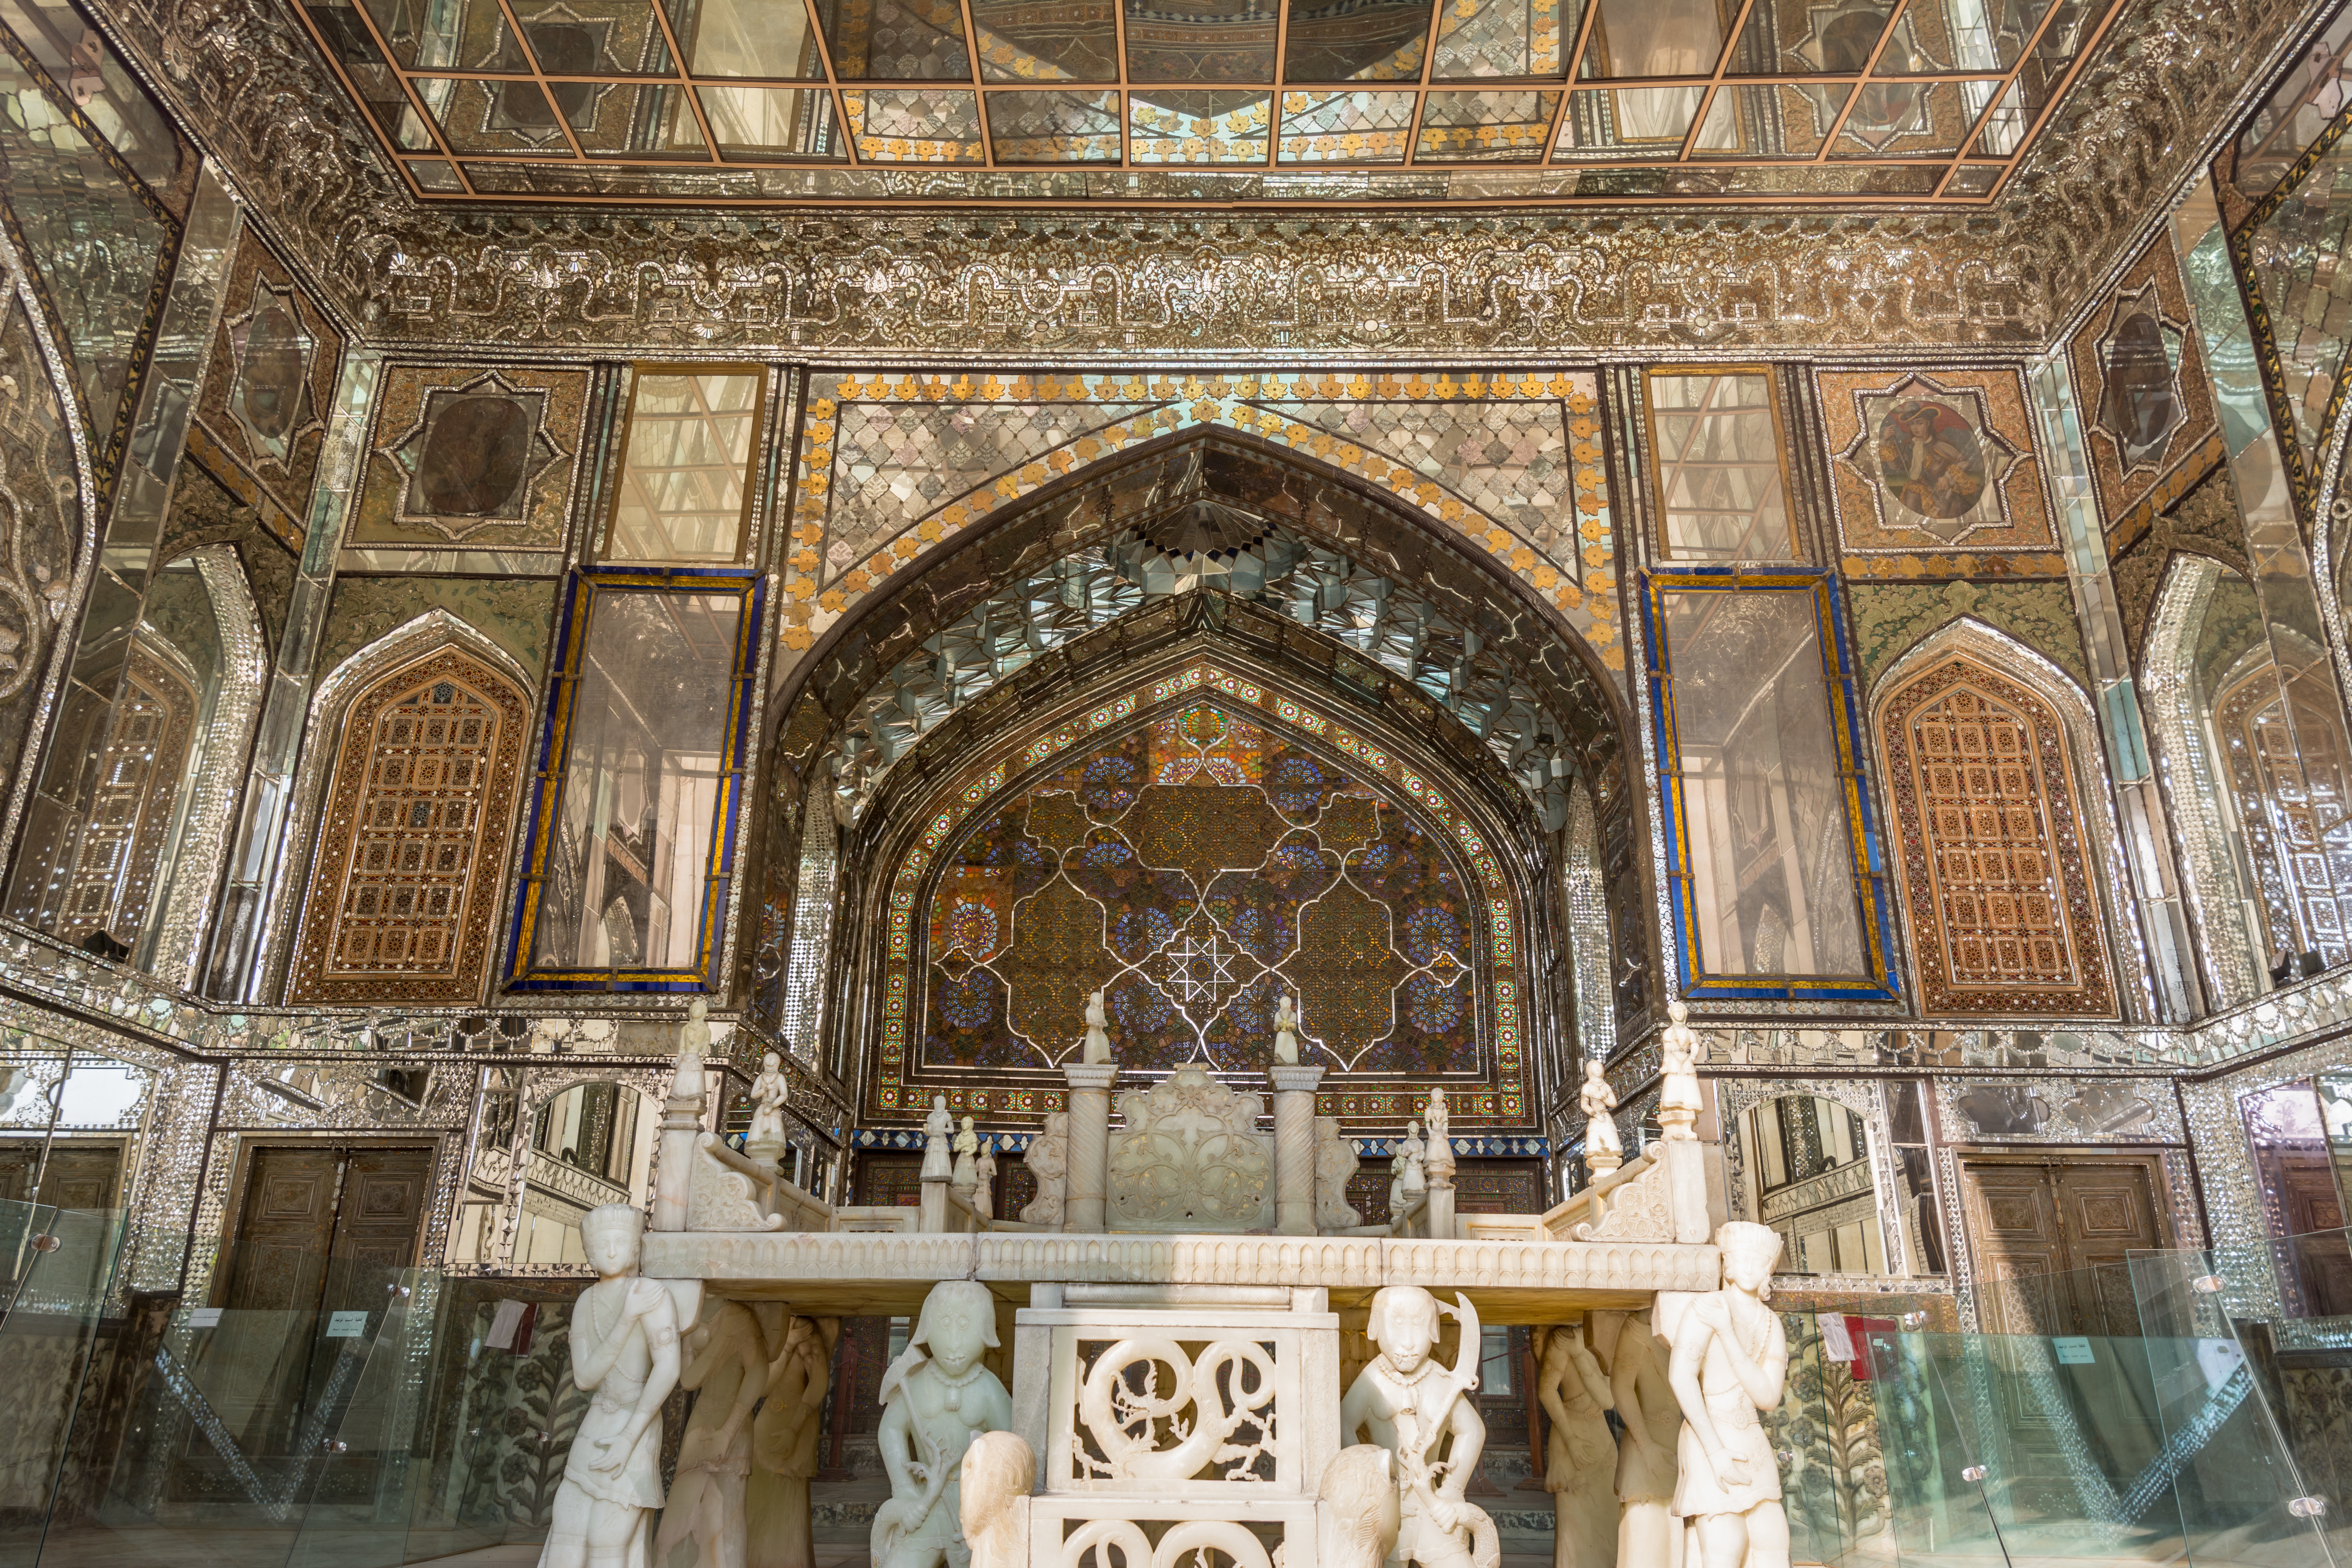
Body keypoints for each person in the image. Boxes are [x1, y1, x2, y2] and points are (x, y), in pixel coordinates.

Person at [538, 1205, 681, 1568]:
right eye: (603, 1245)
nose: (613, 1251)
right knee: (568, 1524)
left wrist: (629, 1437)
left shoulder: (652, 1293)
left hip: (637, 1419)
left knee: (608, 1535)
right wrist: (627, 1318)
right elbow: (585, 1379)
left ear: (636, 1247)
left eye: (621, 1242)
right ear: (589, 1253)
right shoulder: (588, 1301)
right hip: (598, 1417)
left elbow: (668, 1368)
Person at [1339, 1285, 1494, 1568]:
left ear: (1434, 1330)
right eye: (1397, 1324)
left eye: (1418, 1324)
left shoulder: (1440, 1377)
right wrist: (1371, 1487)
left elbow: (1473, 1430)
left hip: (1430, 1504)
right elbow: (1343, 1423)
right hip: (1386, 1513)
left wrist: (1453, 1489)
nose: (1409, 1342)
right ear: (1375, 1326)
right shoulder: (1373, 1378)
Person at [1667, 1224, 1791, 1568]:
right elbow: (1681, 1376)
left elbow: (1767, 1398)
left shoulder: (1771, 1324)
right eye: (1742, 1258)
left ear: (1769, 1269)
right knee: (1725, 1544)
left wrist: (1727, 1332)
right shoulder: (1706, 1307)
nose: (1751, 1266)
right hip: (1709, 1434)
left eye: (1759, 1261)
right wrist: (1715, 1450)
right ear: (1728, 1265)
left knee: (1774, 1543)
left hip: (1751, 1438)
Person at [872, 1281, 1013, 1568]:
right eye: (944, 1325)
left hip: (972, 1512)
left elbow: (1011, 1452)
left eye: (965, 1325)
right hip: (925, 1506)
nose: (953, 1342)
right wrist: (904, 1489)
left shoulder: (988, 1388)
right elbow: (891, 1430)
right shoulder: (914, 1381)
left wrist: (986, 1518)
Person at [655, 1299, 768, 1568]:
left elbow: (759, 1371)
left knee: (722, 1510)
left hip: (732, 1424)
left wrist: (729, 1433)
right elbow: (689, 1380)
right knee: (681, 1509)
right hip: (702, 1418)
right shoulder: (693, 1307)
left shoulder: (738, 1315)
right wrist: (694, 1340)